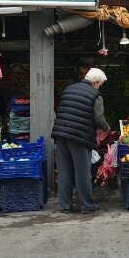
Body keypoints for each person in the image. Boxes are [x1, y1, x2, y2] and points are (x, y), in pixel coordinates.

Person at [52, 67, 110, 214]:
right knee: (82, 171)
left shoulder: (68, 89)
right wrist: (107, 128)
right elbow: (99, 119)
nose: (99, 87)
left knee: (64, 171)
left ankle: (65, 206)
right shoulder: (95, 95)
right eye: (100, 84)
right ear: (96, 82)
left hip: (60, 135)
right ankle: (87, 205)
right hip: (79, 137)